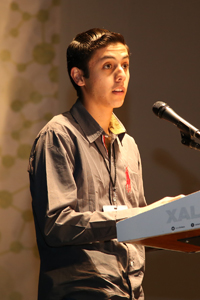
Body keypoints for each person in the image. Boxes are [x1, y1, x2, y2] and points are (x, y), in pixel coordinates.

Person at [28, 28, 182, 300]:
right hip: (82, 292)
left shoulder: (128, 145)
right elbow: (56, 225)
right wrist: (143, 217)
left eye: (125, 65)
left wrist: (178, 227)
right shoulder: (58, 135)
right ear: (79, 76)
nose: (121, 74)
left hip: (131, 292)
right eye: (108, 65)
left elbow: (132, 230)